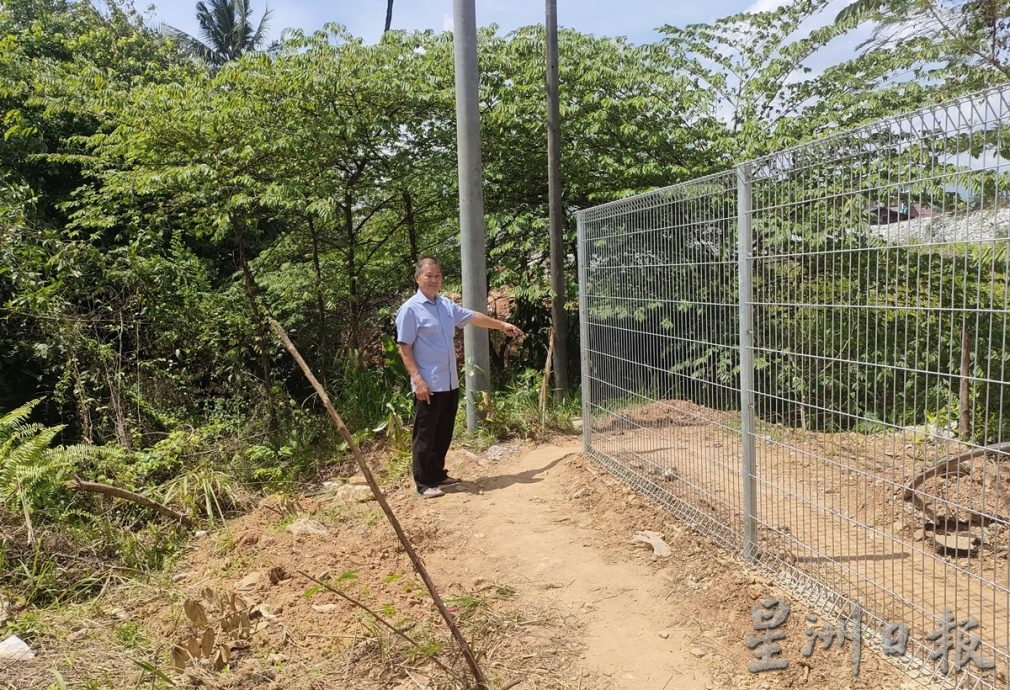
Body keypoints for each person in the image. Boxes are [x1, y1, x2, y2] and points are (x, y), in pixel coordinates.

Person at [395, 257, 524, 498]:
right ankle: (423, 483)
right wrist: (418, 380)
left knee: (443, 431)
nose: (434, 280)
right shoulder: (410, 309)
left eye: (437, 276)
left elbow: (472, 316)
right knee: (425, 434)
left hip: (449, 381)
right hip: (428, 383)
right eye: (428, 275)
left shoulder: (445, 305)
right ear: (417, 278)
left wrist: (500, 325)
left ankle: (437, 475)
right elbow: (404, 347)